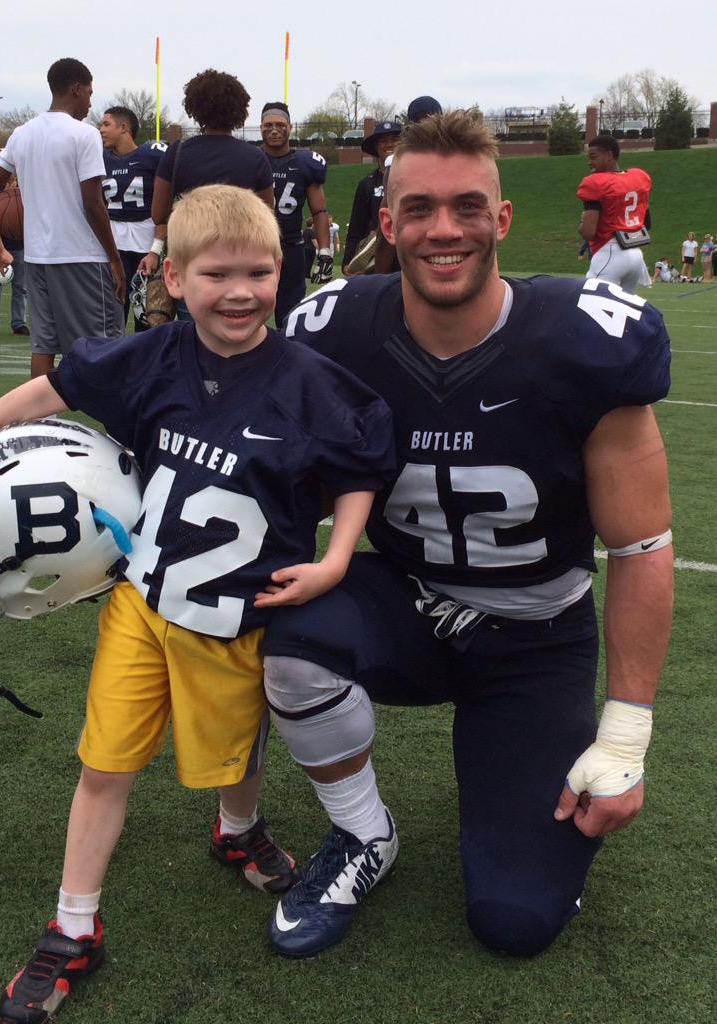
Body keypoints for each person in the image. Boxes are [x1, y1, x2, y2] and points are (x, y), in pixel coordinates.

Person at [0, 183, 394, 1022]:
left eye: (258, 273)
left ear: (282, 272)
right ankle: (74, 926)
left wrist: (337, 556)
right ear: (173, 277)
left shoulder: (311, 383)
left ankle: (237, 829)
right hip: (143, 603)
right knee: (105, 765)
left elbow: (360, 467)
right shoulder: (152, 357)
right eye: (216, 274)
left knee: (235, 751)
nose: (240, 292)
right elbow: (51, 389)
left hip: (239, 616)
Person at [262, 110, 673, 961]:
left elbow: (641, 548)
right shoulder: (335, 330)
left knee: (516, 920)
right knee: (290, 633)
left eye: (467, 207)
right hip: (406, 601)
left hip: (537, 634)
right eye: (419, 208)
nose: (443, 229)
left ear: (503, 219)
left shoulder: (582, 341)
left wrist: (626, 732)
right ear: (388, 223)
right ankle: (364, 833)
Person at [0, 58, 126, 379]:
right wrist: (114, 258)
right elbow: (93, 202)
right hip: (82, 257)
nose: (90, 103)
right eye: (89, 94)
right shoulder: (84, 134)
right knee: (102, 345)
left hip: (37, 258)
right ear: (76, 89)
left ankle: (40, 411)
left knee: (43, 346)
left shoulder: (22, 134)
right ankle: (102, 410)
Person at [140, 68, 274, 321]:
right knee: (238, 330)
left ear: (195, 108)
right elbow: (267, 216)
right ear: (239, 109)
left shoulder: (178, 153)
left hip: (193, 258)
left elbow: (158, 214)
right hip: (241, 260)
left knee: (193, 333)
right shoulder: (255, 157)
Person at [260, 100, 332, 324]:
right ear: (260, 128)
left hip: (291, 246)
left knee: (290, 316)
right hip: (256, 245)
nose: (274, 130)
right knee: (250, 308)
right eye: (268, 125)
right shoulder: (250, 160)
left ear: (290, 128)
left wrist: (325, 251)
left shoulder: (304, 163)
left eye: (280, 125)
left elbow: (319, 211)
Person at [99, 105, 167, 328]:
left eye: (106, 124)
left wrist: (155, 250)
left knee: (146, 317)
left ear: (124, 128)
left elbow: (164, 210)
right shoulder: (100, 158)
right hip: (113, 243)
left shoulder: (152, 155)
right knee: (112, 316)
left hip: (145, 242)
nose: (101, 130)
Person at [373, 95, 443, 274]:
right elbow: (388, 222)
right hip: (416, 246)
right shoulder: (397, 163)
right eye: (422, 122)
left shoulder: (458, 159)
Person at [576, 135, 652, 293]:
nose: (590, 162)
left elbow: (588, 232)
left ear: (609, 155)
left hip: (610, 252)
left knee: (590, 302)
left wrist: (582, 222)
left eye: (593, 157)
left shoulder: (595, 182)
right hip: (636, 255)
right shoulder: (638, 176)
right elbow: (647, 224)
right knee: (623, 306)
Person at [342, 120, 402, 275]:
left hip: (405, 251)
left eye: (394, 140)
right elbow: (356, 226)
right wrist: (348, 261)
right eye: (383, 141)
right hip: (376, 254)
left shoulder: (413, 179)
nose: (389, 144)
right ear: (375, 146)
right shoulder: (367, 184)